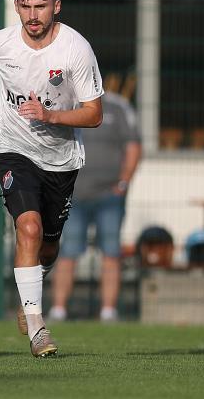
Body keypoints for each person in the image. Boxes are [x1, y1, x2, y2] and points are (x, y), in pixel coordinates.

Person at [0, 0, 103, 357]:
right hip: (12, 150)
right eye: (25, 7)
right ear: (17, 7)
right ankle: (36, 325)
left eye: (41, 6)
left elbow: (93, 113)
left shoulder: (75, 49)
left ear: (56, 5)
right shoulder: (1, 44)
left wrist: (51, 116)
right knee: (28, 226)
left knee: (48, 246)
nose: (33, 15)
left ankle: (34, 284)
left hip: (61, 161)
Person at [49, 92, 142, 322]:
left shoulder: (118, 107)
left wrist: (123, 183)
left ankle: (108, 311)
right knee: (68, 251)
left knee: (111, 252)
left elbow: (133, 147)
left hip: (109, 196)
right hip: (73, 195)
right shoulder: (64, 103)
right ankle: (58, 310)